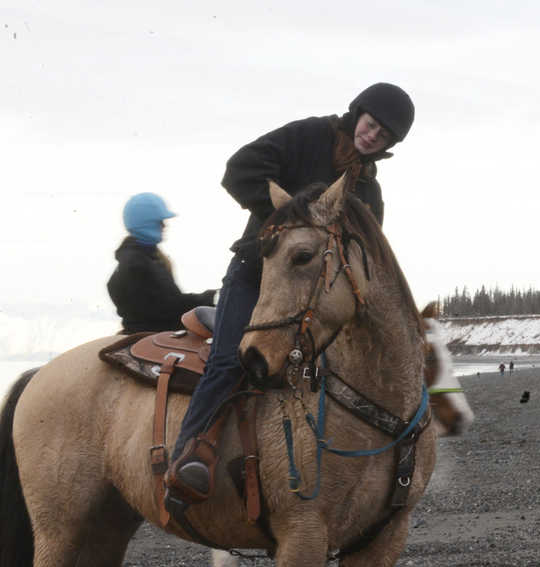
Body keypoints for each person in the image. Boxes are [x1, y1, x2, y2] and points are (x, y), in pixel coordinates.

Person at [165, 82, 415, 503]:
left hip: (317, 297)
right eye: (372, 124)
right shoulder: (308, 136)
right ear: (358, 114)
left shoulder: (368, 192)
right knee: (229, 359)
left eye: (384, 135)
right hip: (258, 272)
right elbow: (239, 168)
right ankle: (190, 454)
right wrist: (287, 218)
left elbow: (369, 257)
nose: (372, 136)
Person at [107, 193, 216, 334]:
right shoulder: (136, 264)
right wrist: (212, 297)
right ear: (146, 223)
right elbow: (170, 308)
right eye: (159, 221)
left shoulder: (144, 258)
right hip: (154, 334)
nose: (164, 226)